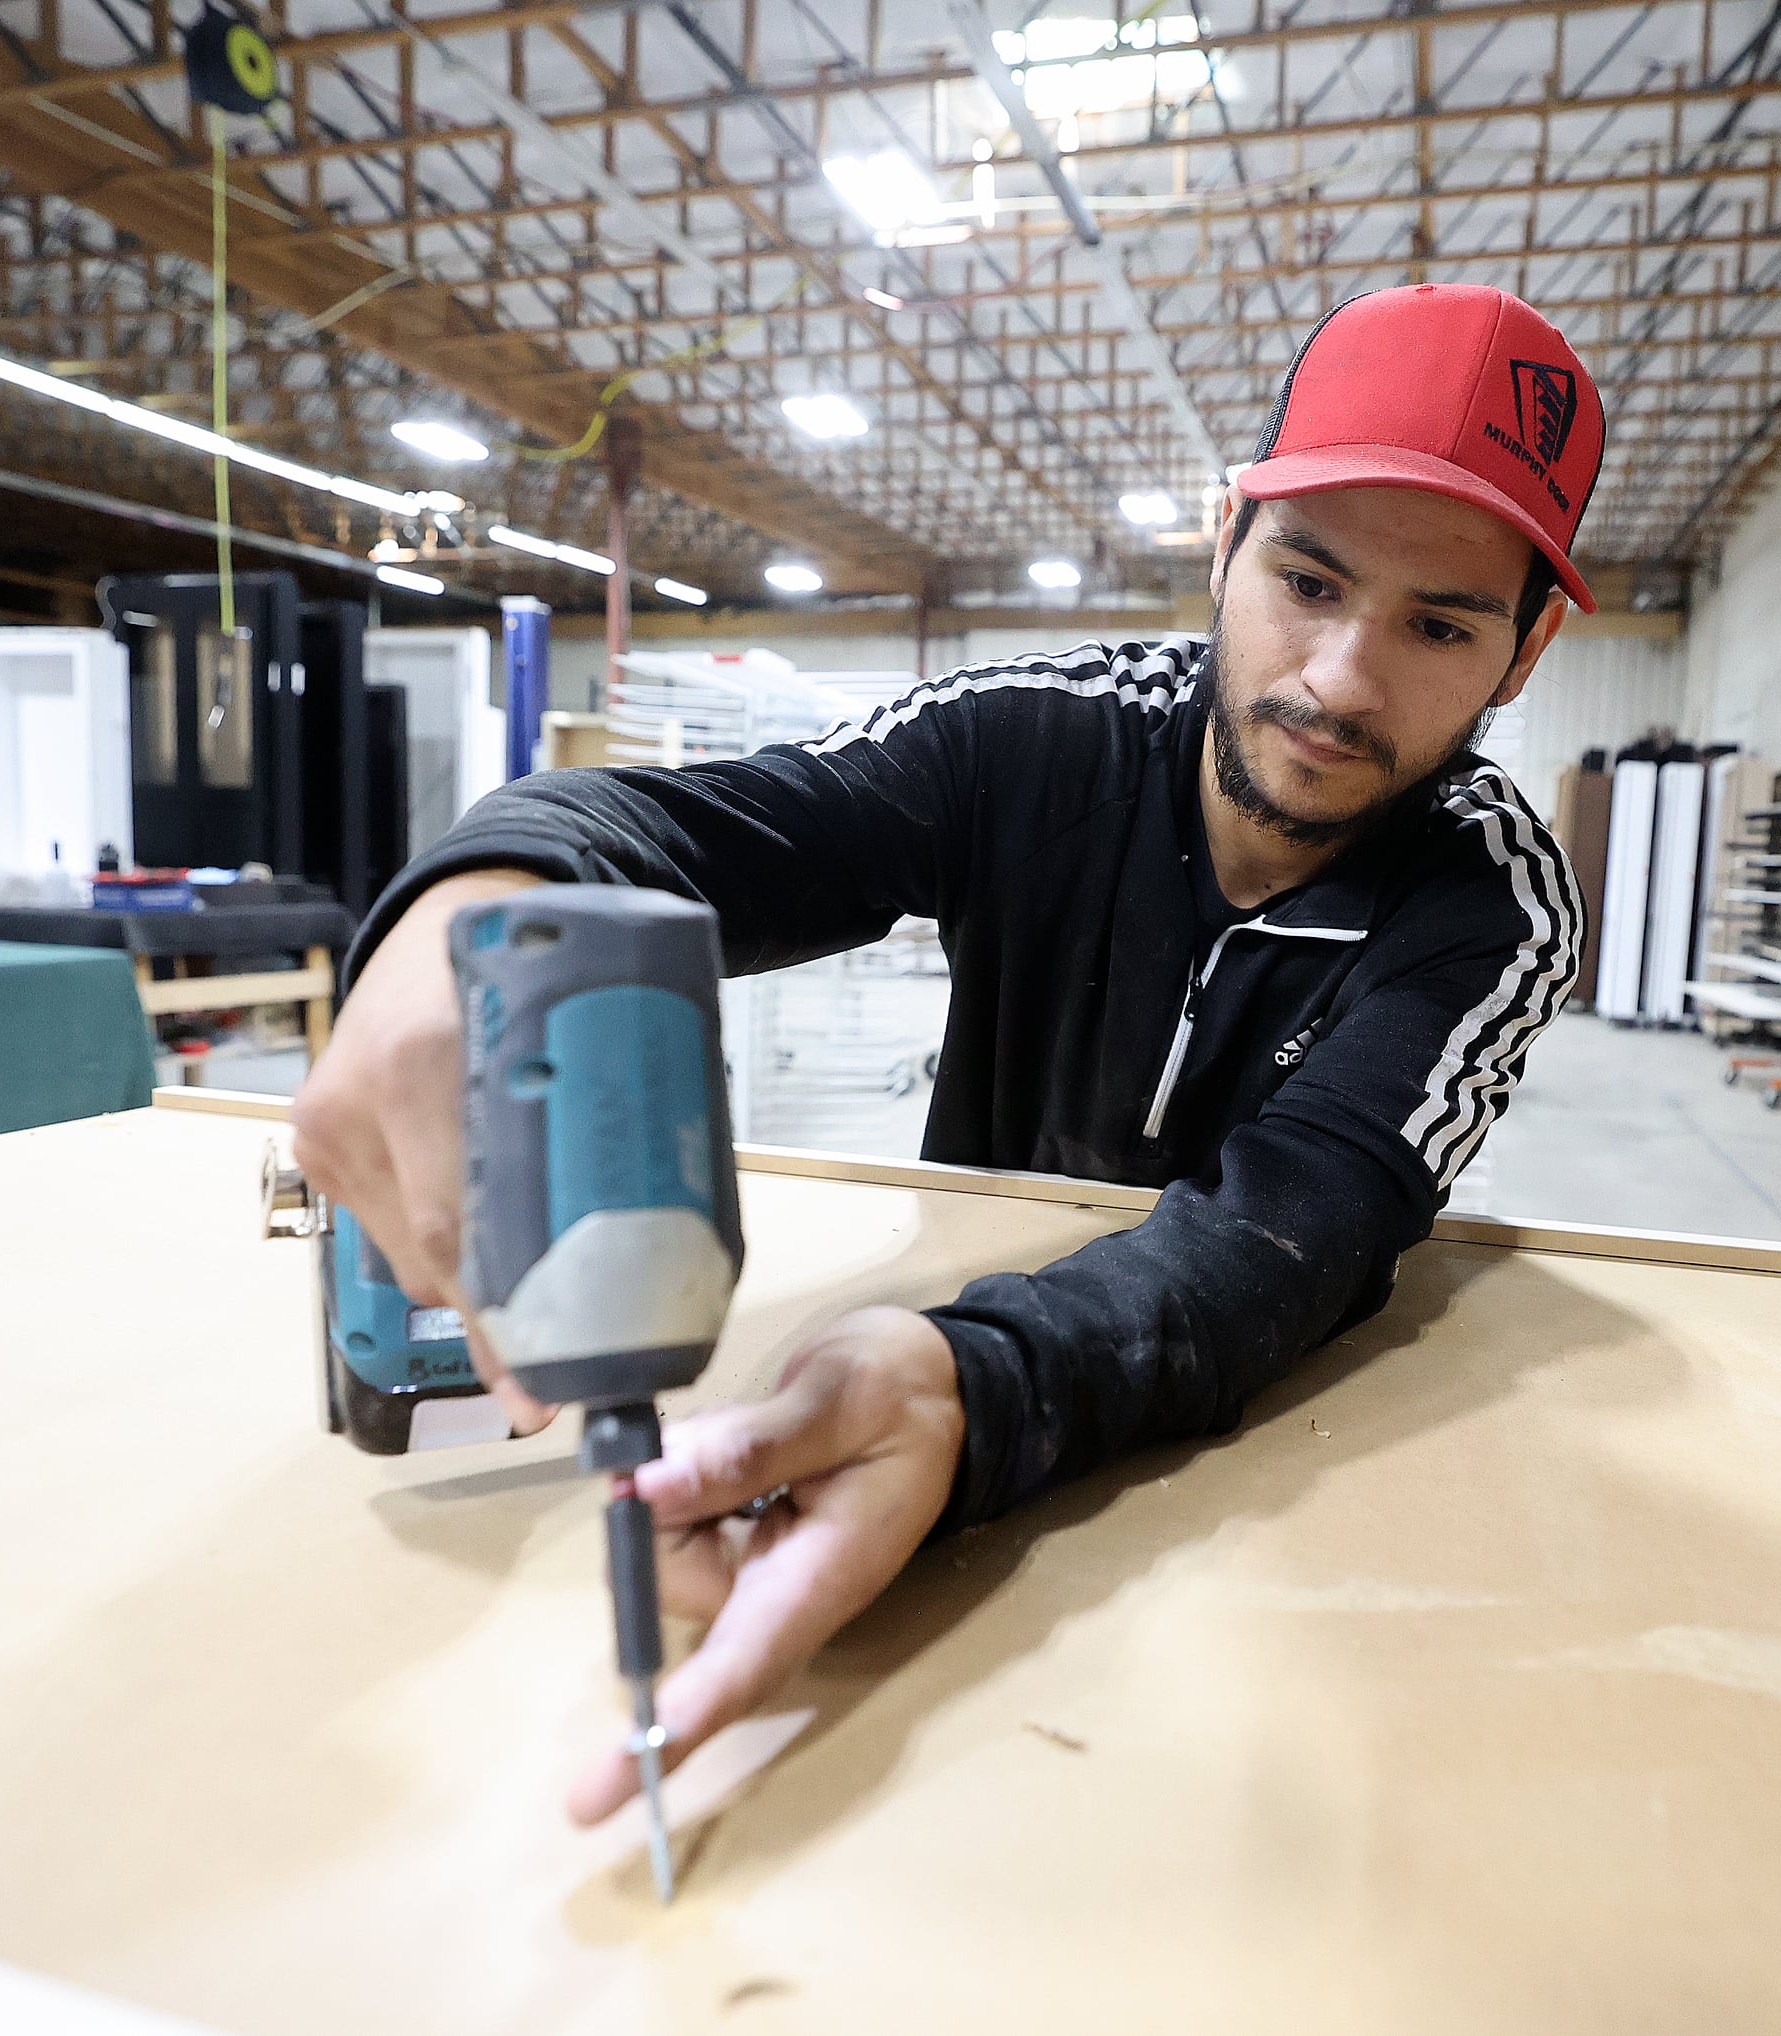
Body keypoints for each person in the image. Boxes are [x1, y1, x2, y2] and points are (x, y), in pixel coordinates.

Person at [292, 282, 1605, 1828]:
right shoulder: (1027, 740)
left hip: (1246, 1463)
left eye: (1440, 625)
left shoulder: (1489, 907)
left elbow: (1290, 1231)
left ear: (1520, 659)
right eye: (1308, 580)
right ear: (1225, 541)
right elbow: (686, 830)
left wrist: (965, 1391)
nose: (1336, 678)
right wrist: (475, 895)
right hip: (981, 1361)